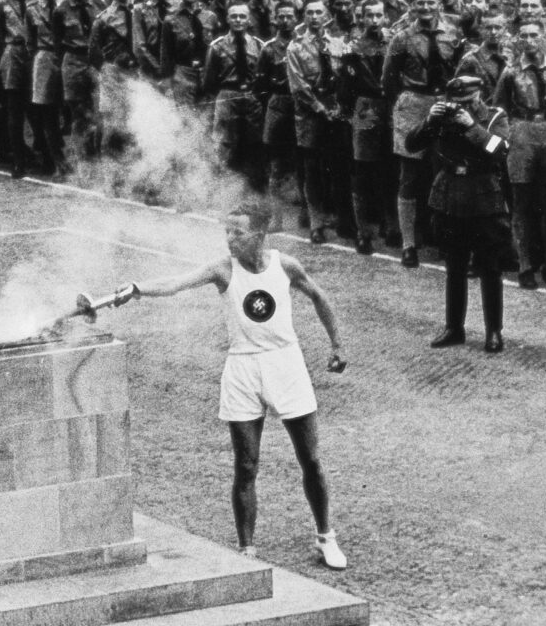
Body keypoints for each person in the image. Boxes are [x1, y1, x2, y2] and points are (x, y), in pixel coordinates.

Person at [108, 215, 348, 570]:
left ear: (259, 235)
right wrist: (137, 287)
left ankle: (326, 537)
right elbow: (177, 282)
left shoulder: (286, 265)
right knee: (246, 464)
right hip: (242, 369)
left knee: (310, 459)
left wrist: (338, 345)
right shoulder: (223, 269)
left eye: (238, 232)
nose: (230, 239)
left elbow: (318, 295)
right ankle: (246, 549)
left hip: (286, 364)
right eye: (227, 232)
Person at [406, 70, 512, 351]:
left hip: (483, 197)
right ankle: (454, 327)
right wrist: (429, 120)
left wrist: (472, 127)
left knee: (490, 268)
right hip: (450, 194)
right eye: (457, 101)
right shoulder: (442, 117)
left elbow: (500, 150)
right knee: (454, 266)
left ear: (478, 95)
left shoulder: (493, 116)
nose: (461, 106)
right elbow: (411, 143)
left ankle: (494, 331)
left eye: (467, 100)